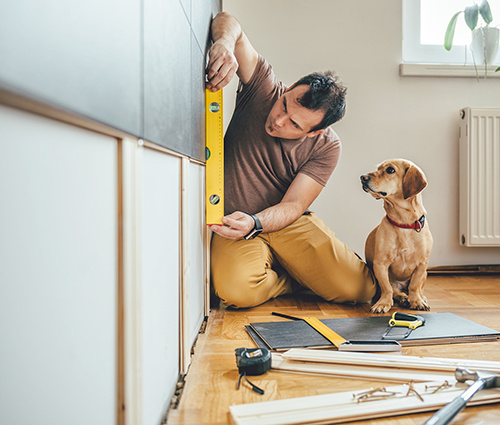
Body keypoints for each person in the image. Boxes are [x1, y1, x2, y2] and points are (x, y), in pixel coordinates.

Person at [206, 12, 376, 308]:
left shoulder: (327, 146)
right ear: (287, 89)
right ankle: (293, 278)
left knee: (360, 290)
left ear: (314, 132)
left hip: (283, 221)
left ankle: (299, 270)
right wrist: (224, 42)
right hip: (233, 221)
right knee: (236, 292)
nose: (278, 120)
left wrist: (257, 222)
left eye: (295, 125)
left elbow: (295, 205)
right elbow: (228, 21)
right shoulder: (263, 89)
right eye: (285, 104)